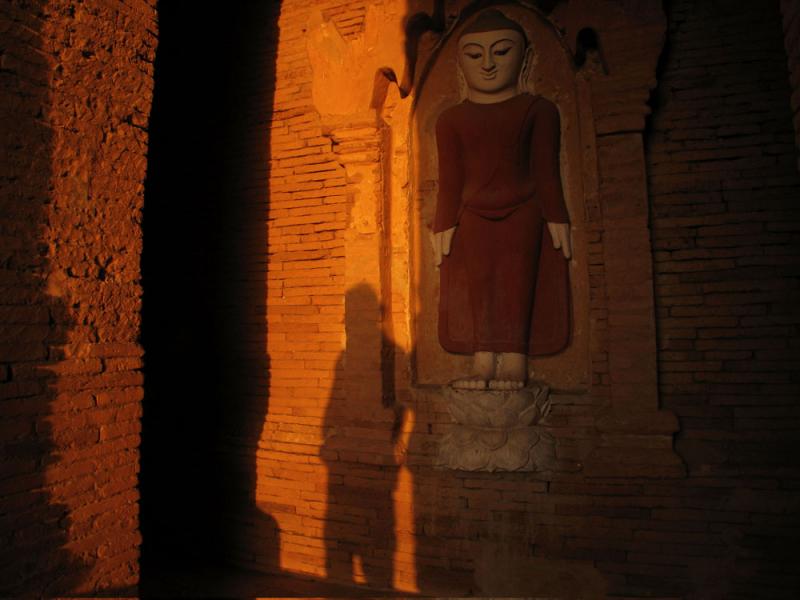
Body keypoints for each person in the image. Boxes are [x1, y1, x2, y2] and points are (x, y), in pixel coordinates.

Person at [433, 9, 572, 390]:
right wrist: (442, 222)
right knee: (478, 283)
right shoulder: (450, 120)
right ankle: (482, 358)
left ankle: (514, 359)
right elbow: (450, 179)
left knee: (517, 281)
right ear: (461, 64)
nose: (489, 65)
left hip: (524, 210)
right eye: (476, 55)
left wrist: (557, 214)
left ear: (524, 58)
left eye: (502, 52)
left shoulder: (539, 110)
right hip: (473, 213)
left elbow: (547, 171)